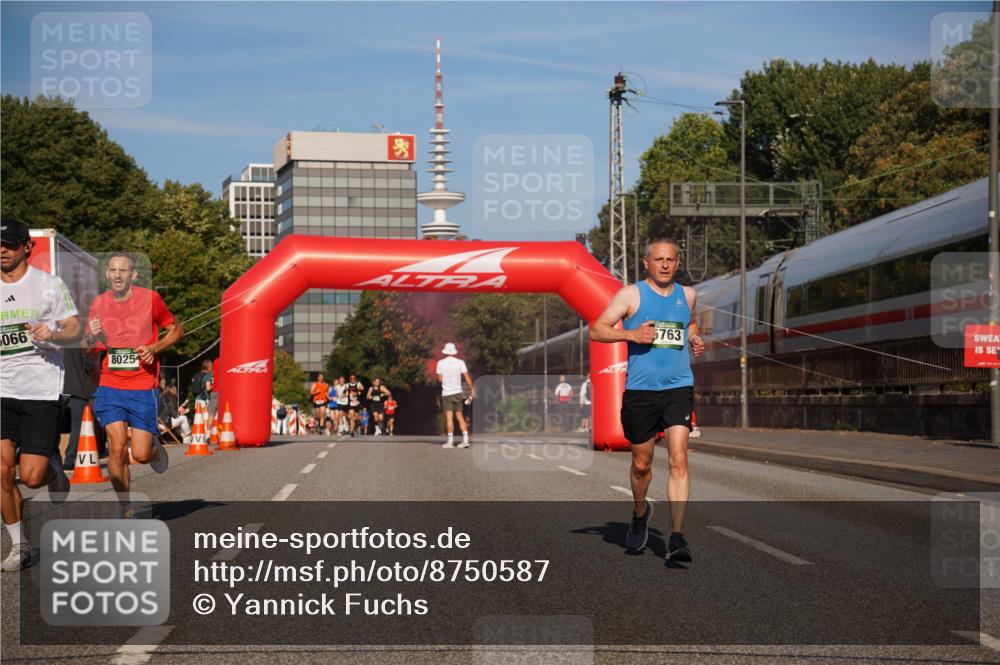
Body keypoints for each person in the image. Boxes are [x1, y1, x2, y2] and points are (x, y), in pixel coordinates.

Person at [590, 237, 705, 562]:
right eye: (659, 259)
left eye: (671, 260)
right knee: (641, 465)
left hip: (678, 388)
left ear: (677, 264)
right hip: (641, 392)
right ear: (646, 263)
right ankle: (640, 513)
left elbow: (690, 322)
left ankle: (678, 537)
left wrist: (695, 338)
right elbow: (597, 330)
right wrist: (631, 334)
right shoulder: (631, 294)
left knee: (678, 458)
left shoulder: (689, 295)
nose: (665, 265)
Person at [0, 218, 82, 571]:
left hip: (41, 390)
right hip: (2, 389)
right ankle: (19, 546)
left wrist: (52, 332)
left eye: (9, 244)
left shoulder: (49, 286)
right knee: (2, 472)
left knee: (30, 476)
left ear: (26, 247)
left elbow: (75, 329)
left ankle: (51, 468)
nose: (2, 250)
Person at [84, 252, 182, 508]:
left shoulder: (151, 299)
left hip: (142, 385)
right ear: (107, 275)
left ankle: (153, 449)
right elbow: (86, 350)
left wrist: (155, 347)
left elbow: (176, 330)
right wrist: (92, 338)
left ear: (133, 275)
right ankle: (125, 508)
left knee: (139, 453)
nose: (117, 275)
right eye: (112, 270)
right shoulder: (98, 303)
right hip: (110, 384)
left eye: (123, 271)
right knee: (116, 448)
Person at [59, 345, 97, 470]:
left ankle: (52, 458)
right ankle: (69, 460)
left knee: (53, 426)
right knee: (78, 426)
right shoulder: (81, 338)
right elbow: (88, 364)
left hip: (56, 388)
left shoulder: (53, 336)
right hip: (76, 388)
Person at [435, 342, 475, 449]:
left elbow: (439, 379)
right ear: (454, 352)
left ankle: (450, 441)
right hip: (458, 392)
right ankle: (465, 440)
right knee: (460, 416)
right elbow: (466, 376)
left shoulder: (440, 363)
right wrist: (472, 389)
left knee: (449, 418)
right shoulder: (460, 362)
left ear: (445, 352)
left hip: (447, 393)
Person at [157, 379, 190, 444]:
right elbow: (175, 415)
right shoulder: (171, 397)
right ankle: (188, 436)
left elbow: (168, 410)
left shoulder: (161, 397)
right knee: (184, 418)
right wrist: (184, 411)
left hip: (158, 423)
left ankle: (183, 437)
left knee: (179, 421)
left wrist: (178, 410)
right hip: (165, 423)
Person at [190, 360, 213, 431]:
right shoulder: (208, 376)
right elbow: (208, 388)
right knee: (205, 418)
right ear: (209, 367)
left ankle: (197, 434)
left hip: (197, 399)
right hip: (204, 399)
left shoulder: (197, 375)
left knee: (198, 418)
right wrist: (214, 385)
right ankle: (205, 436)